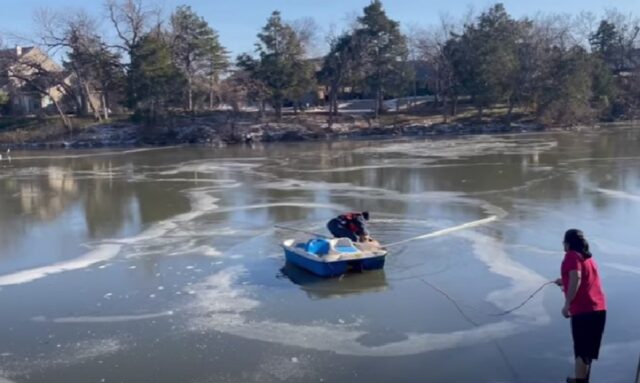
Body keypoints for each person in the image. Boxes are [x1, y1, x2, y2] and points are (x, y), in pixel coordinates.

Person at [555, 229, 607, 383]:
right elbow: (583, 281)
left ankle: (579, 381)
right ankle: (582, 379)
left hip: (584, 312)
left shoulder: (571, 256)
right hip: (599, 310)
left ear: (568, 243)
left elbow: (576, 278)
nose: (563, 245)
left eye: (564, 242)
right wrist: (564, 282)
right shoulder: (589, 259)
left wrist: (567, 305)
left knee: (581, 351)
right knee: (587, 351)